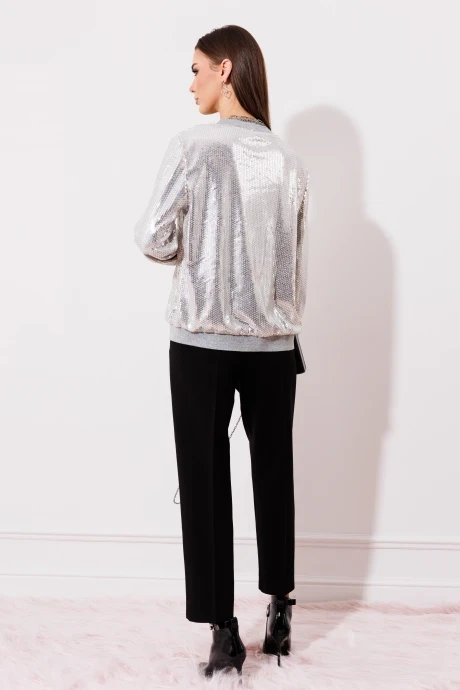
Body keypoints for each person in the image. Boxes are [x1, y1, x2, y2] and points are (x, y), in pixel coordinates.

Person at [134, 24, 309, 679]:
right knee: (274, 469)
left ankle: (223, 631)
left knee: (204, 476)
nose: (191, 84)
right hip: (274, 342)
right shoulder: (288, 160)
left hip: (201, 341)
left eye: (197, 69)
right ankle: (281, 607)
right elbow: (293, 264)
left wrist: (199, 255)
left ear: (226, 69)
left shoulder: (191, 147)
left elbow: (153, 237)